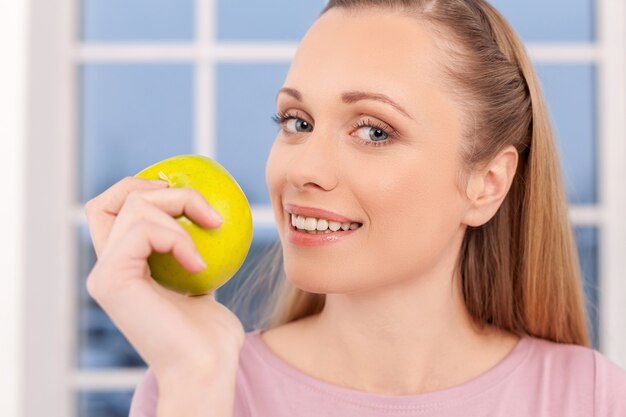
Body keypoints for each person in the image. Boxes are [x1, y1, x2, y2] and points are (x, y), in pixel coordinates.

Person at [85, 1, 626, 416]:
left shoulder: (588, 398)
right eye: (297, 122)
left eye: (373, 130)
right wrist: (195, 378)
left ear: (485, 183)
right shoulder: (195, 385)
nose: (302, 171)